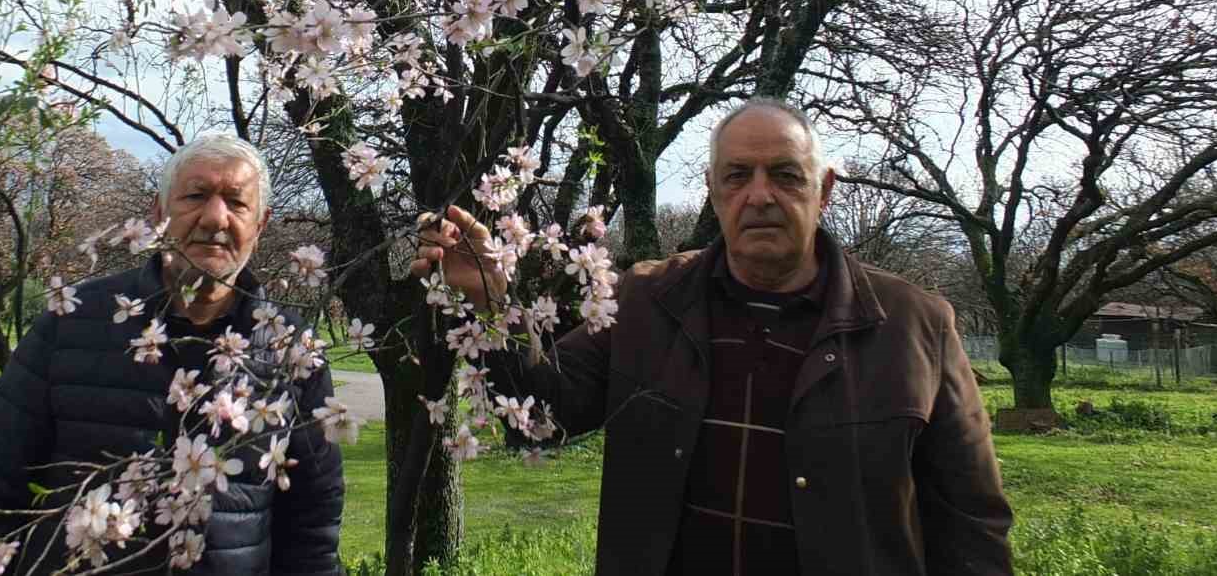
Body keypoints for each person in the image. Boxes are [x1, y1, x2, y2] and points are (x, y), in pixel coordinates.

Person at [412, 98, 1012, 576]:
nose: (759, 195)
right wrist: (490, 307)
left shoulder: (914, 325)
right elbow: (539, 415)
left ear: (824, 190)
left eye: (785, 175)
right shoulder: (645, 302)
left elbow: (971, 522)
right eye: (737, 176)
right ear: (712, 189)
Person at [0, 133, 344, 575]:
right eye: (195, 196)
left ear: (261, 224)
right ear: (158, 213)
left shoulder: (292, 349)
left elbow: (313, 521)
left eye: (237, 202)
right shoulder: (71, 322)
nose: (215, 218)